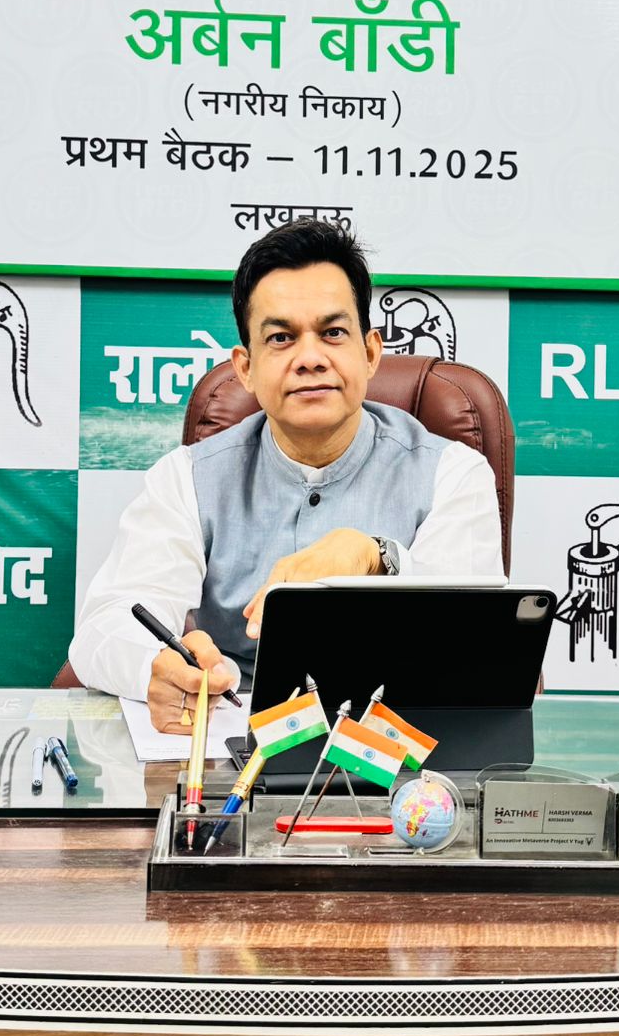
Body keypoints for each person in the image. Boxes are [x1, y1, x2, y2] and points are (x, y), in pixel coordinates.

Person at [68, 217, 505, 731]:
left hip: (400, 740)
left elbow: (477, 636)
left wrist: (379, 556)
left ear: (370, 353)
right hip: (231, 736)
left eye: (333, 333)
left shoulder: (453, 472)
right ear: (245, 368)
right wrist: (156, 668)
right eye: (281, 338)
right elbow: (106, 626)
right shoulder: (186, 477)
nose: (310, 359)